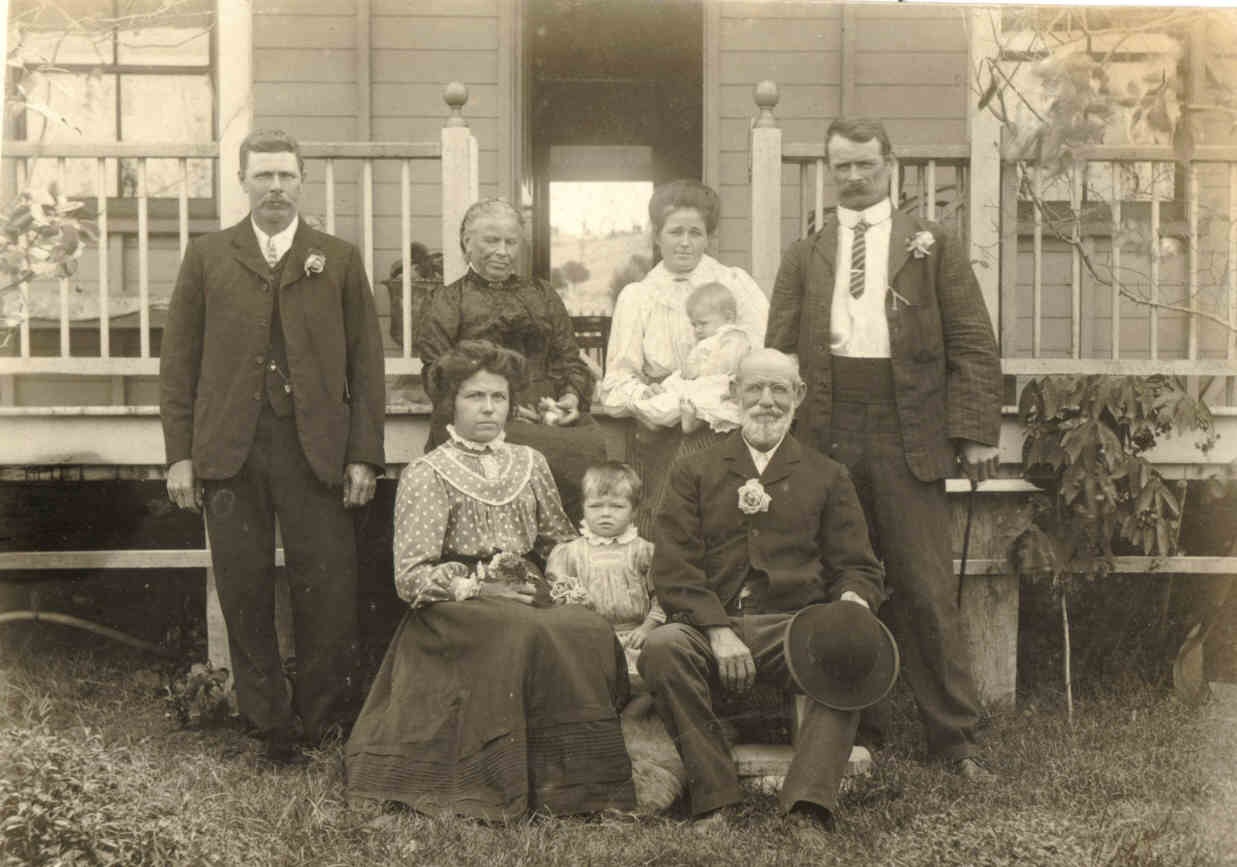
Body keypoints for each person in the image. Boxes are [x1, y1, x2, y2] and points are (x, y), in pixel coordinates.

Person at [765, 116, 1004, 782]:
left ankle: (953, 739)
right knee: (843, 578)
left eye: (864, 164)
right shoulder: (804, 252)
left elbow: (973, 342)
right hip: (827, 422)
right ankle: (854, 728)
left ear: (889, 164)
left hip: (907, 425)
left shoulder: (933, 245)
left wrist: (976, 430)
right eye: (840, 165)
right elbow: (777, 347)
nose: (852, 176)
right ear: (827, 169)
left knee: (924, 584)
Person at [160, 128, 385, 762]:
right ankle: (268, 725)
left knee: (329, 585)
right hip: (229, 448)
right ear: (244, 182)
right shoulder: (208, 256)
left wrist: (363, 453)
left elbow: (366, 365)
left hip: (316, 448)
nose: (276, 187)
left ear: (302, 180)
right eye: (264, 176)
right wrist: (180, 453)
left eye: (287, 175)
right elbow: (178, 363)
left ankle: (321, 720)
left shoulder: (335, 258)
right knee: (242, 583)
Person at [345, 340, 635, 820]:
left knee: (584, 627)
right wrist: (481, 587)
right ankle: (498, 783)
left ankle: (576, 786)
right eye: (474, 397)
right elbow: (411, 578)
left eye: (498, 397)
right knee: (525, 630)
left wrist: (564, 580)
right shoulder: (428, 471)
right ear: (450, 405)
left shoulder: (530, 461)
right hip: (455, 605)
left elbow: (556, 541)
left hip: (522, 588)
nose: (488, 408)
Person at [639, 348, 885, 841]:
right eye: (755, 388)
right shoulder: (694, 470)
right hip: (709, 624)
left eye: (779, 390)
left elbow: (857, 566)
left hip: (792, 627)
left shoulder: (827, 475)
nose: (767, 401)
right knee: (663, 648)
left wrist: (852, 605)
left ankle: (809, 805)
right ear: (734, 394)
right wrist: (717, 629)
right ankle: (714, 797)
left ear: (799, 396)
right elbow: (674, 566)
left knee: (850, 647)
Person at [414, 198, 605, 522]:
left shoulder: (543, 295)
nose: (503, 251)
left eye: (511, 242)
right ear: (467, 242)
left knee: (587, 446)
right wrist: (505, 407)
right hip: (477, 414)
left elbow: (570, 360)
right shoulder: (447, 300)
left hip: (546, 413)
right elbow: (438, 376)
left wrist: (569, 399)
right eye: (492, 240)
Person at [599, 180, 769, 535]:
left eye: (696, 232)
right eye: (675, 231)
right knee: (667, 508)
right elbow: (617, 381)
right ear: (656, 235)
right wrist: (647, 400)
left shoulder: (734, 284)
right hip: (662, 428)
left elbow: (766, 355)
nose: (685, 242)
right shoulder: (639, 296)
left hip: (728, 421)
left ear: (709, 238)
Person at [546, 461, 663, 675]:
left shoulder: (644, 551)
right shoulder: (569, 553)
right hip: (585, 641)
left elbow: (662, 597)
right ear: (583, 507)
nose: (606, 514)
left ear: (634, 510)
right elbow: (559, 599)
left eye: (617, 506)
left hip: (634, 639)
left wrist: (647, 628)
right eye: (596, 506)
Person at [632, 282, 750, 433]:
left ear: (728, 317)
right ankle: (658, 411)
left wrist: (700, 370)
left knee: (711, 400)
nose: (697, 330)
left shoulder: (734, 336)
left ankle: (691, 423)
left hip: (720, 381)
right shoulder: (710, 339)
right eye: (694, 325)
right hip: (702, 380)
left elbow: (727, 362)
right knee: (678, 390)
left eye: (703, 323)